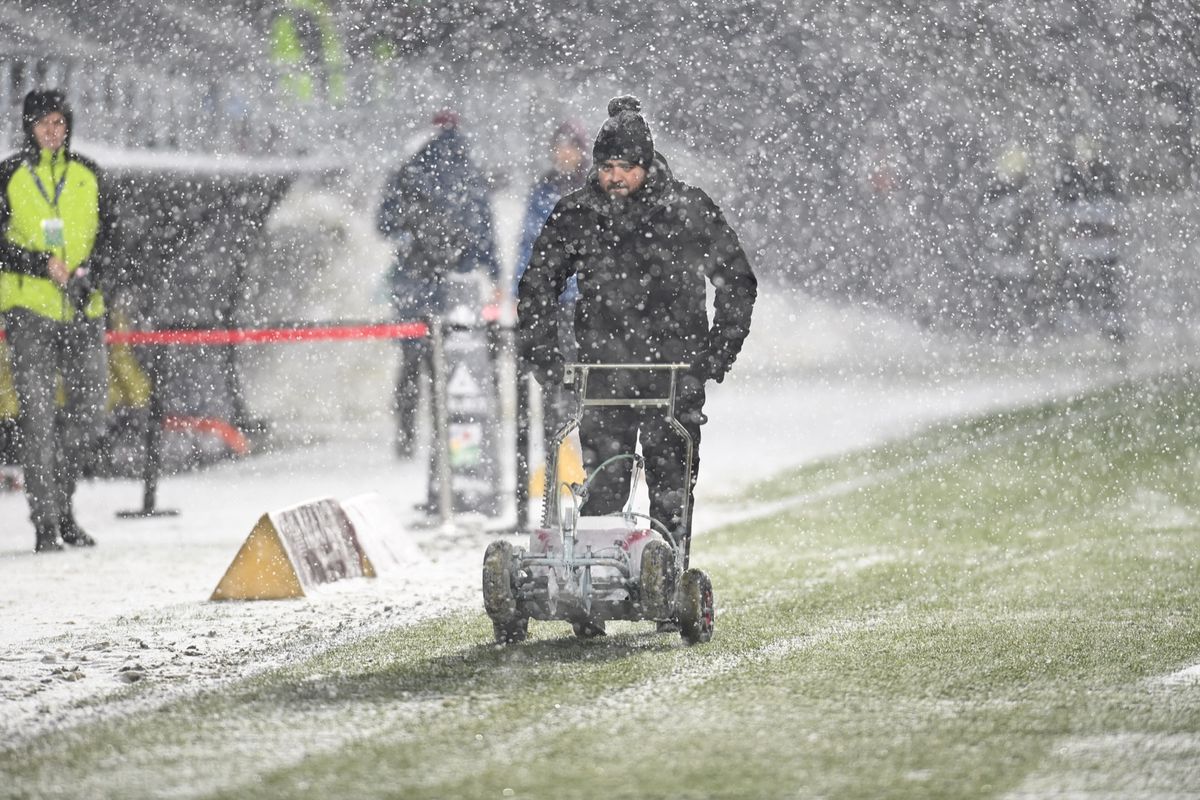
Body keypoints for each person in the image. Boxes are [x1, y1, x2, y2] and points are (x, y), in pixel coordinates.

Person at [517, 96, 757, 625]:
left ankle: (667, 591)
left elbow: (737, 282)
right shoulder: (577, 215)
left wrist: (716, 354)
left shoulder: (688, 210)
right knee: (604, 482)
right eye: (605, 167)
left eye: (625, 167)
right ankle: (599, 586)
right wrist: (545, 356)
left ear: (647, 165)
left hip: (674, 374)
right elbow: (537, 287)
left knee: (671, 487)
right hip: (604, 373)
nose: (615, 177)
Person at [0, 89, 118, 552]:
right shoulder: (8, 175)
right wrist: (35, 263)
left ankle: (63, 508)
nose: (54, 131)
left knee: (89, 413)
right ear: (28, 127)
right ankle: (46, 523)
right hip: (30, 312)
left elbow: (114, 240)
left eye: (60, 122)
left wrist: (91, 275)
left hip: (82, 310)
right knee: (38, 419)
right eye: (45, 123)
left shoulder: (90, 174)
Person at [377, 110, 499, 459]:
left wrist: (409, 236)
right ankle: (453, 447)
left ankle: (405, 439)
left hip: (412, 284)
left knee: (411, 365)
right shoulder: (468, 172)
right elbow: (483, 230)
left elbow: (383, 223)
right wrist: (493, 273)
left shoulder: (407, 169)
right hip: (456, 288)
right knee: (457, 370)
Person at [513, 119, 591, 466]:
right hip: (551, 303)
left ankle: (582, 458)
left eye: (569, 147)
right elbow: (528, 244)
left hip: (585, 303)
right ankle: (555, 461)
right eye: (559, 147)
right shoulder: (542, 191)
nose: (564, 154)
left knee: (583, 383)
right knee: (551, 383)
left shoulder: (594, 190)